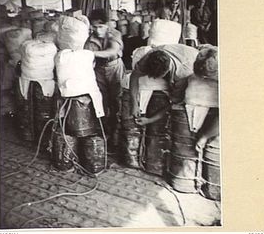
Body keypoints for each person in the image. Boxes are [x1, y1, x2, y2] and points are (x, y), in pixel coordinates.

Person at [84, 9, 126, 146]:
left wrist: (90, 53)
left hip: (114, 67)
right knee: (101, 101)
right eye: (94, 27)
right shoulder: (90, 38)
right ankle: (104, 132)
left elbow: (112, 51)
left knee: (117, 100)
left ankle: (118, 133)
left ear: (107, 24)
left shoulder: (115, 33)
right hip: (99, 69)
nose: (97, 30)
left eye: (101, 27)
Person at [129, 44, 199, 125]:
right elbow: (134, 76)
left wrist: (150, 120)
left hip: (193, 57)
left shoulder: (183, 75)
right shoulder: (150, 56)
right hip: (176, 51)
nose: (154, 79)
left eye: (157, 76)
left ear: (166, 71)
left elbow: (174, 103)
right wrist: (134, 103)